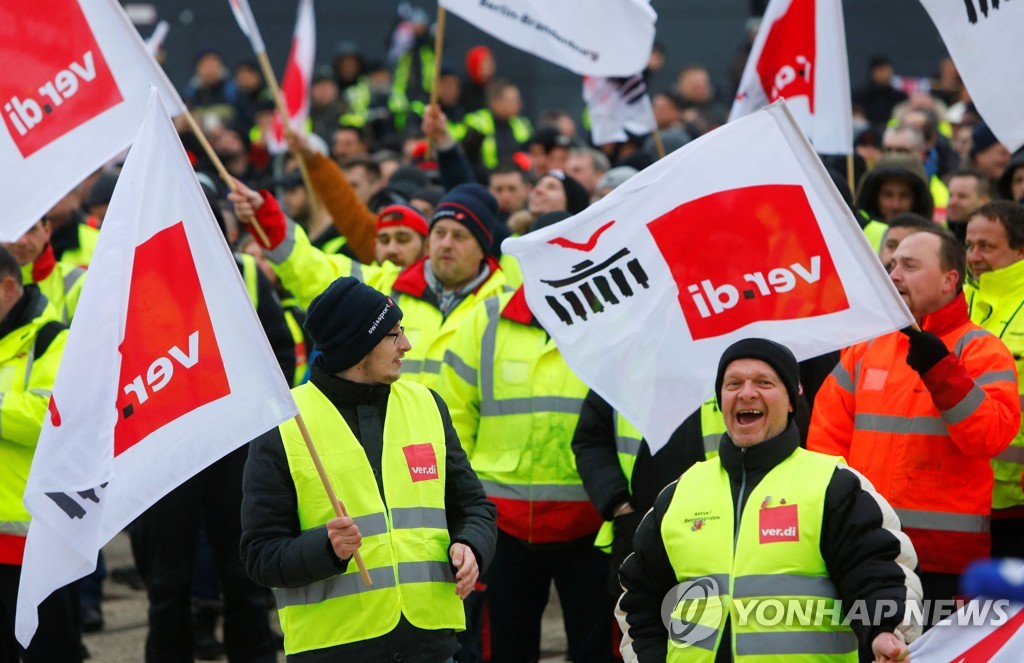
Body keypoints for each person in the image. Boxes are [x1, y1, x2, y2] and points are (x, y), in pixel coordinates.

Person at [618, 338, 922, 662]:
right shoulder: (679, 494)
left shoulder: (835, 485)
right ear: (721, 401)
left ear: (792, 401)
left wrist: (886, 632)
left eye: (764, 382)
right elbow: (638, 601)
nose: (747, 393)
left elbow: (878, 571)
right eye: (733, 383)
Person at [240, 276, 496, 660]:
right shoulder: (284, 424)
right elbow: (260, 556)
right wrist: (326, 549)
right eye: (394, 335)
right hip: (335, 648)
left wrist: (471, 544)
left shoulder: (428, 405)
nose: (406, 345)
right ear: (358, 347)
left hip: (431, 646)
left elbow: (475, 508)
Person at [810, 226, 1021, 602]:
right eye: (892, 265)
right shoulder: (865, 349)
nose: (894, 276)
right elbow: (826, 448)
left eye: (909, 266)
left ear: (949, 279)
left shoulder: (983, 350)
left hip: (946, 562)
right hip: (867, 548)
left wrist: (942, 372)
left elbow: (990, 436)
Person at [437, 213, 613, 662]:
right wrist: (465, 505)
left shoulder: (612, 318)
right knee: (504, 653)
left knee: (597, 653)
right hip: (504, 530)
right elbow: (452, 417)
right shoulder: (486, 320)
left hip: (593, 527)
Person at [229, 181, 508, 390]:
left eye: (459, 236)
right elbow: (311, 269)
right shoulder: (385, 286)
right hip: (386, 448)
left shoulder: (502, 305)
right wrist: (266, 218)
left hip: (456, 456)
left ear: (482, 247)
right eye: (440, 232)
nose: (446, 243)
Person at [0, 246, 80, 661]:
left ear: (8, 287)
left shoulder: (53, 340)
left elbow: (45, 418)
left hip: (34, 539)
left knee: (51, 649)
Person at [964, 201, 1024, 559]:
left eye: (987, 246)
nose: (974, 256)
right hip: (954, 495)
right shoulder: (951, 300)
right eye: (969, 245)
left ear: (1020, 250)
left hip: (1015, 502)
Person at [2, 217, 86, 325]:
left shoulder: (80, 283)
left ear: (47, 230)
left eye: (31, 229)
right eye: (13, 231)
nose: (21, 241)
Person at [945, 168, 993, 244]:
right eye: (950, 196)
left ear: (985, 201)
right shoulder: (941, 236)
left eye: (962, 196)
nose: (952, 202)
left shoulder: (993, 240)